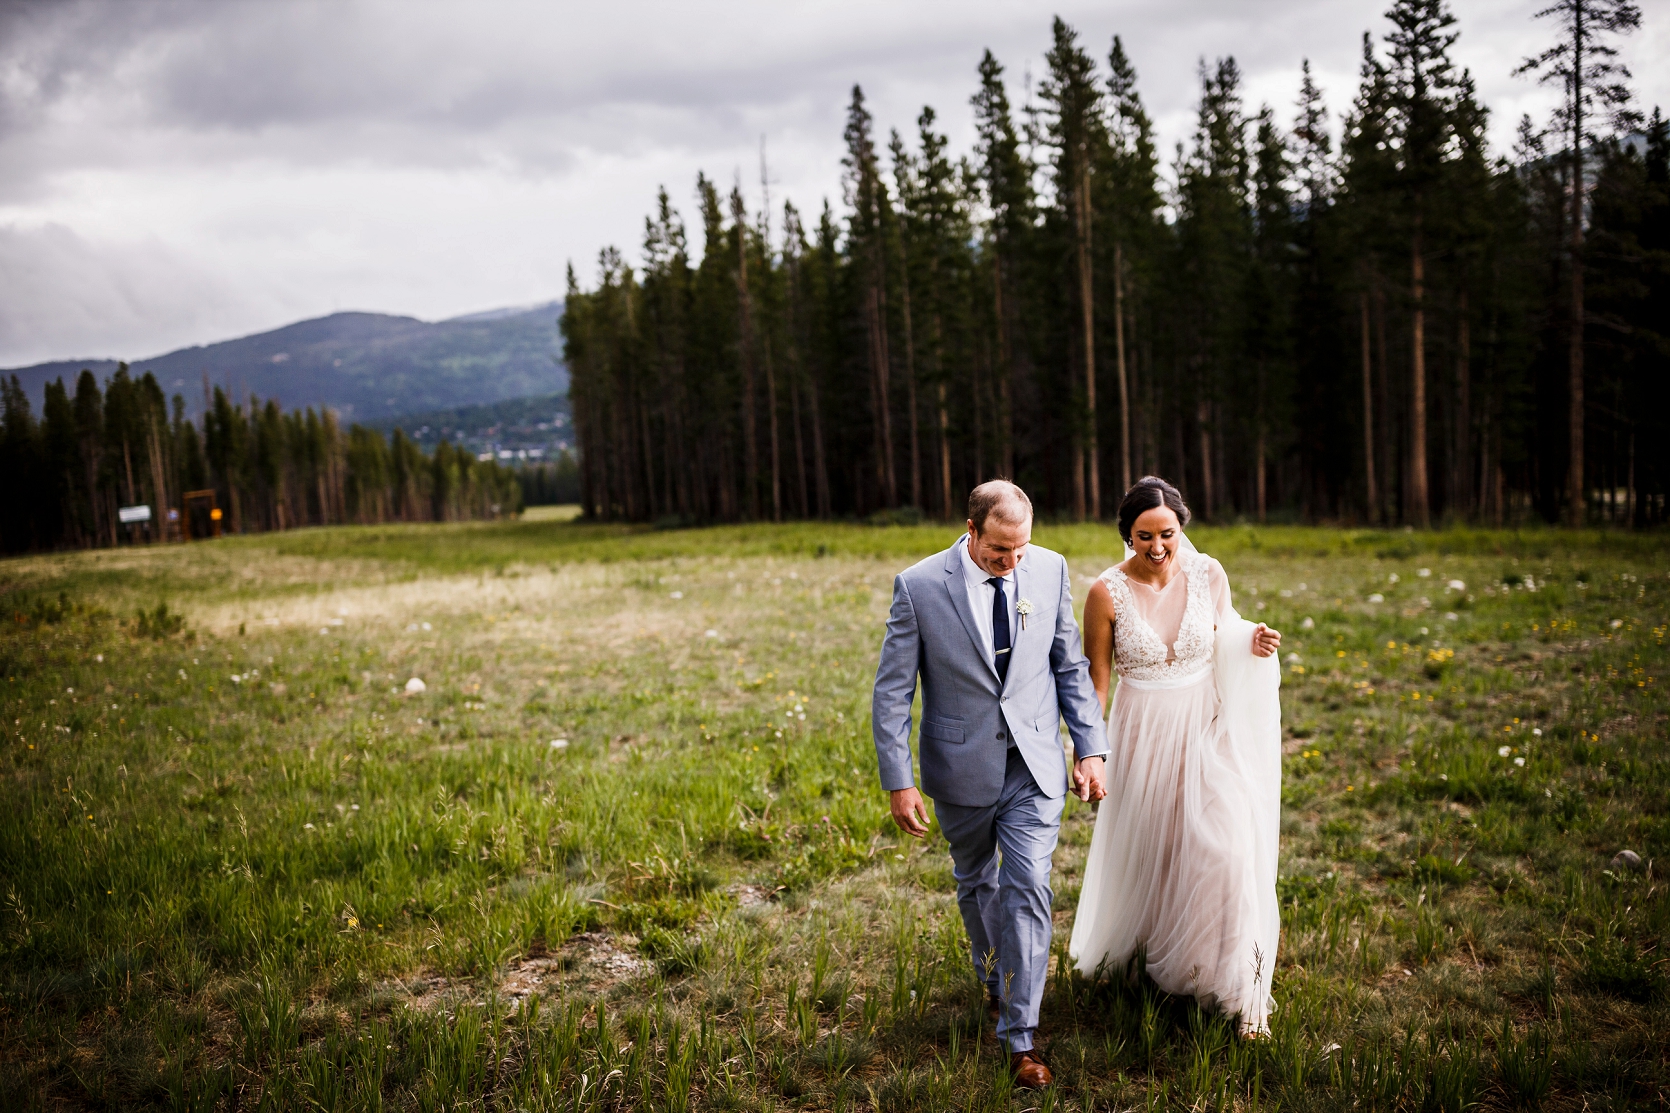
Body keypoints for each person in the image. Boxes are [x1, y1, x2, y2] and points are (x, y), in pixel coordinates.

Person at [872, 480, 1109, 1089]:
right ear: (971, 531)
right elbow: (893, 692)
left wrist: (1090, 747)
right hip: (960, 767)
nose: (1012, 562)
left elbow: (1069, 666)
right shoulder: (920, 586)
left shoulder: (1049, 570)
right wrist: (899, 782)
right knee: (977, 879)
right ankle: (995, 972)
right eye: (1000, 550)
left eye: (1021, 548)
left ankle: (1020, 1036)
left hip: (1034, 763)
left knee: (1028, 882)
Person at [1068, 476, 1283, 1038]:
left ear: (1181, 527)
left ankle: (1241, 994)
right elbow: (1098, 679)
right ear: (1127, 534)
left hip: (1205, 730)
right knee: (1158, 853)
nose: (1158, 546)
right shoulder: (1104, 593)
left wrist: (1251, 642)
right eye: (1145, 535)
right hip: (1140, 735)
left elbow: (1225, 633)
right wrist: (1091, 750)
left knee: (1228, 849)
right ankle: (1161, 964)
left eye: (1168, 533)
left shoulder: (1208, 573)